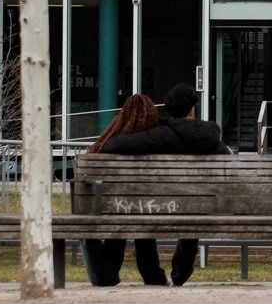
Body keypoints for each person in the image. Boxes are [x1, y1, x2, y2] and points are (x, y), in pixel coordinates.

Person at [99, 83, 233, 286]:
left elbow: (111, 146)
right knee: (193, 214)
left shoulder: (160, 136)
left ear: (168, 110)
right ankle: (180, 274)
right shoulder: (211, 136)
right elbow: (229, 162)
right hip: (198, 206)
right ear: (192, 110)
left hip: (157, 206)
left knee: (143, 210)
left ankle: (153, 275)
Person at [81, 93, 161, 287]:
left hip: (114, 208)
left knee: (119, 214)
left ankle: (106, 275)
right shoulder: (159, 144)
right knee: (140, 215)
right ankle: (153, 276)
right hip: (152, 208)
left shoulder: (107, 145)